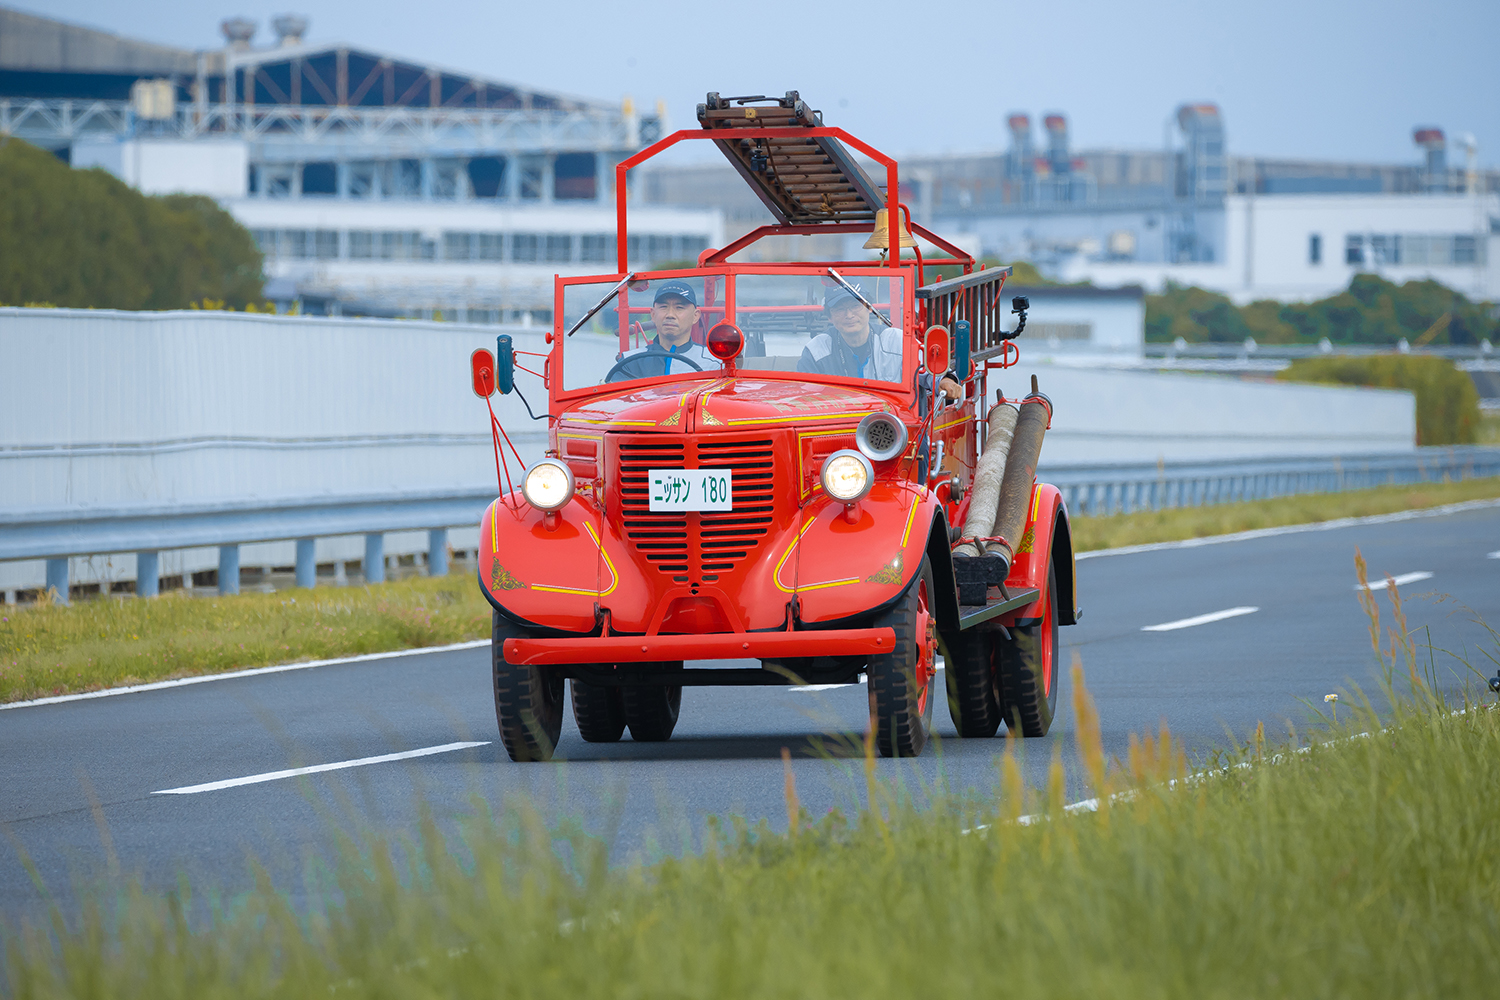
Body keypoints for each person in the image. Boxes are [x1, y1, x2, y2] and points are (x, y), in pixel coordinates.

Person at [797, 281, 961, 400]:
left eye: (855, 306)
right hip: (836, 428)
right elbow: (804, 397)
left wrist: (946, 381)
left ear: (870, 308)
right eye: (840, 309)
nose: (849, 315)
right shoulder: (816, 350)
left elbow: (929, 374)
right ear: (829, 317)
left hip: (893, 430)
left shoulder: (897, 341)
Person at [612, 281, 721, 380]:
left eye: (679, 307)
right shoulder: (630, 361)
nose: (670, 315)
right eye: (664, 307)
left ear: (695, 316)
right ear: (653, 314)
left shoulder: (714, 363)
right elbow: (616, 399)